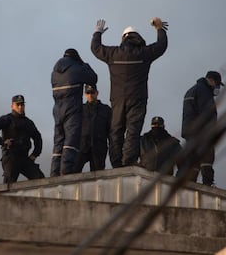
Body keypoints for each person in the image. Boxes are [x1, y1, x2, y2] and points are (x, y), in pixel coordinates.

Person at [91, 18, 168, 168]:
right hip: (138, 99)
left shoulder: (113, 53)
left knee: (116, 130)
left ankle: (116, 162)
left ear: (123, 38)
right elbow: (161, 46)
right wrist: (159, 28)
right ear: (137, 38)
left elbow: (95, 48)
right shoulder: (144, 53)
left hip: (118, 99)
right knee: (133, 130)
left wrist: (97, 33)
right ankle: (128, 161)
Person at [51, 48, 98, 176]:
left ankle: (54, 174)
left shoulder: (54, 72)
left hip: (57, 110)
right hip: (72, 109)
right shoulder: (77, 68)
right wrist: (84, 64)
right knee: (70, 142)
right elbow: (93, 78)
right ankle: (65, 174)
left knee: (58, 143)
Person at [178, 71, 224, 186]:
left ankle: (190, 183)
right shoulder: (204, 91)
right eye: (217, 84)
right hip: (202, 132)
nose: (217, 87)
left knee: (193, 160)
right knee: (206, 158)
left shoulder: (192, 90)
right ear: (211, 80)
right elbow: (207, 113)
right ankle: (207, 184)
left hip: (190, 132)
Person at [0, 95, 45, 183]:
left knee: (40, 179)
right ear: (12, 106)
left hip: (24, 157)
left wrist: (35, 154)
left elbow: (38, 138)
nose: (20, 107)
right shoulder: (7, 119)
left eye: (22, 104)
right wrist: (2, 142)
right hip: (11, 156)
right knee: (9, 185)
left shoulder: (28, 122)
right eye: (18, 105)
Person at [74, 84, 111, 173]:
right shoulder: (79, 109)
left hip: (99, 147)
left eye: (92, 92)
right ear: (85, 94)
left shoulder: (106, 110)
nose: (90, 95)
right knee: (73, 172)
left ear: (97, 93)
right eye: (88, 93)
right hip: (81, 146)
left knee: (97, 177)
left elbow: (111, 130)